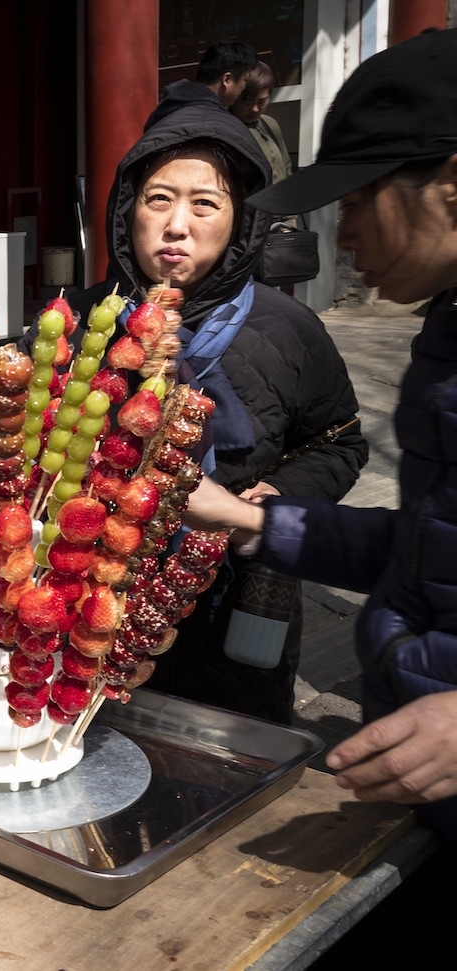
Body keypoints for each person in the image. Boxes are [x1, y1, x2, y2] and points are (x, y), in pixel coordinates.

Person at [183, 28, 457, 838]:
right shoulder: (443, 339)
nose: (346, 238)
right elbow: (426, 553)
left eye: (361, 200)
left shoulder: (292, 332)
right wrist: (251, 521)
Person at [66, 86, 366, 723]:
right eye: (158, 200)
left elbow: (339, 441)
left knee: (229, 760)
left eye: (205, 204)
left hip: (235, 597)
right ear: (128, 211)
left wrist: (271, 501)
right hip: (91, 599)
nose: (178, 225)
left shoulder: (290, 330)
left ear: (241, 220)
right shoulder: (80, 322)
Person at [145, 41, 257, 130]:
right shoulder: (213, 122)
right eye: (245, 80)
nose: (244, 87)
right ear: (227, 80)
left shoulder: (165, 107)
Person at [231, 61, 292, 186]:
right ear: (235, 97)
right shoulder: (223, 127)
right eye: (247, 102)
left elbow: (286, 167)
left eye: (262, 101)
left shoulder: (269, 124)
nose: (255, 109)